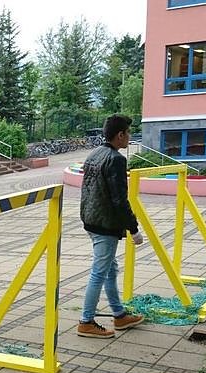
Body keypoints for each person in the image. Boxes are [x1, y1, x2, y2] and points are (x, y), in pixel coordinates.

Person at [77, 113, 145, 338]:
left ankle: (119, 315)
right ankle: (86, 321)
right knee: (99, 272)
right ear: (120, 135)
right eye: (128, 133)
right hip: (105, 224)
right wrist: (133, 229)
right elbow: (119, 199)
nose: (130, 137)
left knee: (109, 269)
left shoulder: (94, 154)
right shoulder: (116, 159)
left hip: (91, 220)